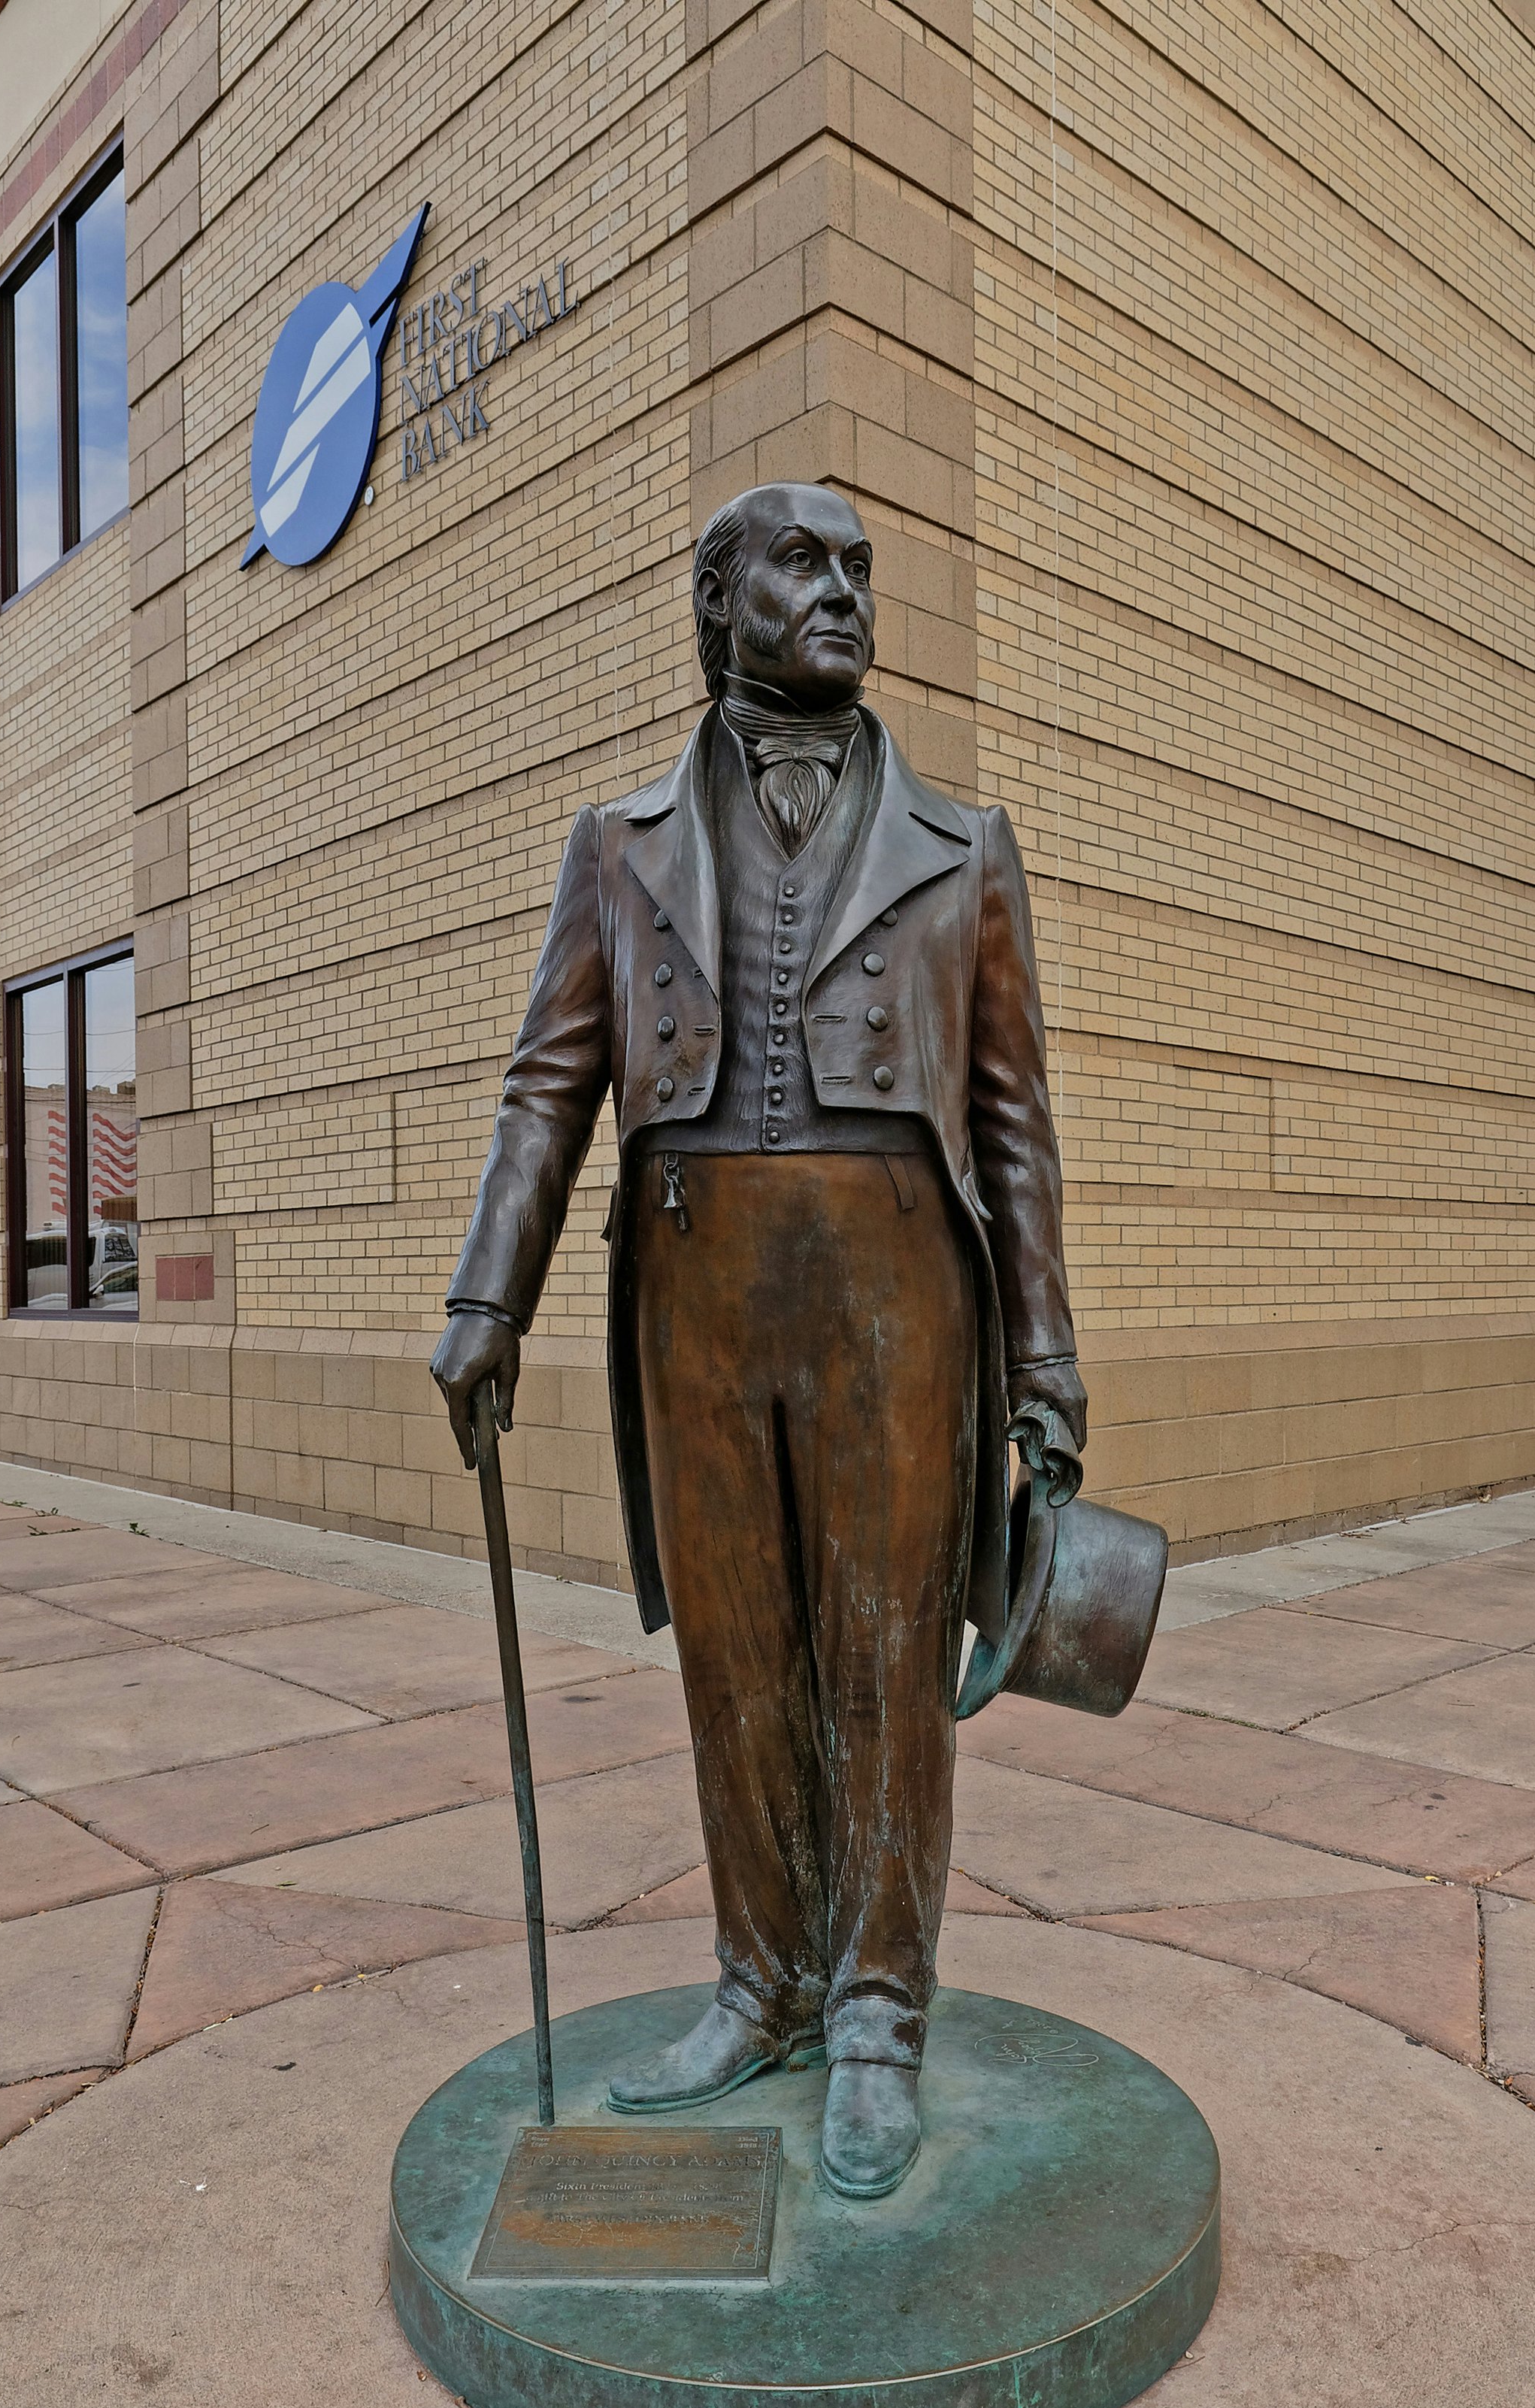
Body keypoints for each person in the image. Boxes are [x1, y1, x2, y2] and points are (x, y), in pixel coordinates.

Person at [431, 483, 1085, 2199]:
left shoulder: (964, 846)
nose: (844, 592)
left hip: (899, 1299)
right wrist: (484, 1294)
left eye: (863, 567)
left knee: (879, 1663)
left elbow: (1013, 1129)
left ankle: (876, 2006)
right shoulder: (617, 843)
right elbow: (544, 1082)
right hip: (692, 1295)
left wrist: (1044, 1368)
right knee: (733, 1656)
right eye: (803, 564)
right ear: (717, 597)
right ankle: (761, 1976)